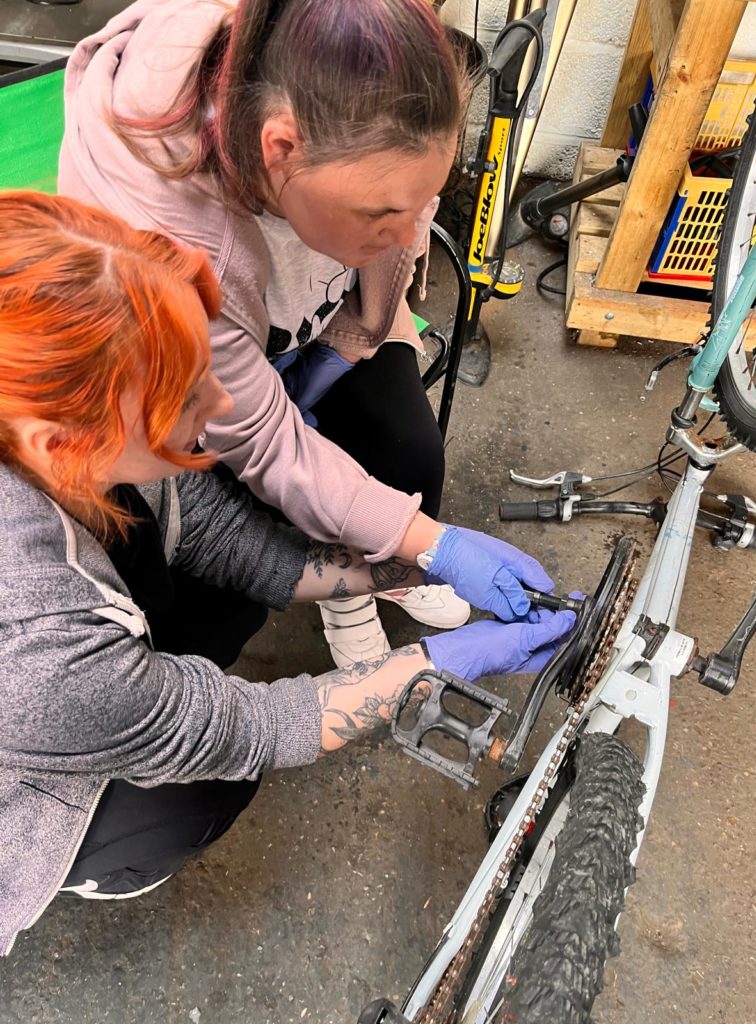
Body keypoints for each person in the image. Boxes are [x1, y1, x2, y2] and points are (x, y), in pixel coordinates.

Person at [0, 192, 577, 956]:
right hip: (31, 733)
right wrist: (435, 661)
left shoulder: (53, 413)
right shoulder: (37, 645)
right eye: (185, 395)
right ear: (58, 441)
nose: (225, 401)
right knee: (198, 791)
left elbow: (213, 531)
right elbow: (246, 728)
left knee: (218, 588)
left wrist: (409, 567)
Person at [57, 0, 530, 666]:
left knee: (408, 457)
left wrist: (412, 552)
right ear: (281, 149)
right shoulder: (168, 252)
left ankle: (362, 574)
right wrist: (425, 545)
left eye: (421, 202)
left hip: (316, 334)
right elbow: (260, 442)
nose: (410, 239)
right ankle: (343, 574)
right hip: (187, 385)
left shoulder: (360, 83)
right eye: (383, 214)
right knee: (215, 603)